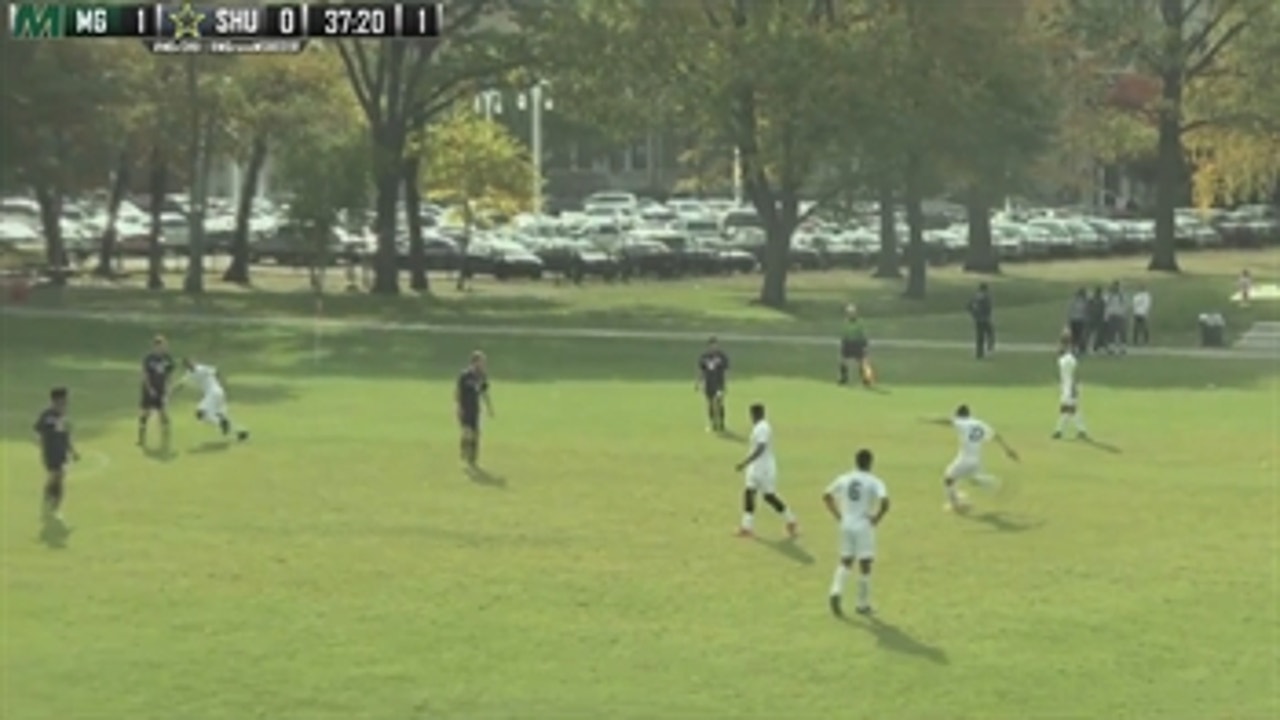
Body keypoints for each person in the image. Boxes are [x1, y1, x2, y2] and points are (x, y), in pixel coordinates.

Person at [822, 448, 890, 618]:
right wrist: (877, 518)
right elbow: (885, 501)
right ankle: (862, 604)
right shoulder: (874, 481)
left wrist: (838, 516)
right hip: (863, 525)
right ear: (870, 463)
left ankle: (835, 591)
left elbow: (826, 495)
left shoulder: (844, 478)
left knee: (845, 561)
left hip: (846, 523)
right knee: (865, 564)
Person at [932, 404, 1018, 513]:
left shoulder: (963, 422)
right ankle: (996, 484)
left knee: (948, 478)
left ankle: (956, 504)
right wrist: (1008, 450)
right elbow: (996, 436)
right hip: (976, 459)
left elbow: (947, 421)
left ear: (960, 415)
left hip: (965, 459)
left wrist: (929, 419)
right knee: (973, 479)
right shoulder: (980, 423)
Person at [734, 403, 798, 538]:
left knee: (769, 497)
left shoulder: (762, 428)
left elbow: (761, 448)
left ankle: (791, 520)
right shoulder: (759, 427)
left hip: (763, 469)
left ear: (754, 414)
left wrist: (745, 462)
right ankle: (747, 527)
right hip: (756, 468)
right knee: (749, 493)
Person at [173, 358, 250, 442]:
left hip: (213, 393)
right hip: (219, 393)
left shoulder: (201, 368)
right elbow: (181, 384)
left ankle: (220, 423)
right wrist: (172, 392)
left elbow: (216, 371)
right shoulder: (189, 373)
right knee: (221, 415)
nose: (190, 365)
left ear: (193, 362)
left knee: (200, 413)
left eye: (190, 363)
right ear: (186, 367)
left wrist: (223, 384)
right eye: (187, 365)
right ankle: (241, 432)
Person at [34, 387, 78, 524]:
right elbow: (38, 429)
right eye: (63, 401)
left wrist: (73, 451)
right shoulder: (47, 415)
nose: (65, 404)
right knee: (55, 475)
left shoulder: (63, 417)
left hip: (61, 452)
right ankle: (48, 504)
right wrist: (42, 444)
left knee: (60, 478)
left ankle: (54, 507)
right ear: (55, 401)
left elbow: (66, 436)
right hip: (51, 452)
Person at [456, 351, 493, 467]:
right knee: (467, 432)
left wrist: (489, 407)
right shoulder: (464, 375)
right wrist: (458, 407)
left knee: (476, 432)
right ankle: (464, 448)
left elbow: (484, 392)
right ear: (474, 362)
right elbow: (458, 392)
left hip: (475, 408)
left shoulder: (482, 376)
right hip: (465, 407)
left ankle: (473, 457)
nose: (483, 364)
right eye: (481, 362)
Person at [138, 334, 176, 446]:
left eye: (165, 345)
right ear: (156, 346)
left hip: (161, 389)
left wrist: (169, 389)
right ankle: (141, 438)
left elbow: (170, 375)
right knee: (145, 413)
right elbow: (145, 375)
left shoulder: (168, 359)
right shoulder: (149, 358)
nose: (164, 347)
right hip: (149, 390)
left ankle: (166, 438)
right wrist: (149, 389)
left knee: (163, 412)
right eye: (162, 345)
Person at [1052, 331, 1088, 440]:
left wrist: (1073, 388)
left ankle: (1059, 431)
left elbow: (1075, 375)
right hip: (1067, 387)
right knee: (1071, 410)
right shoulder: (1067, 358)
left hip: (1070, 388)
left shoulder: (1068, 359)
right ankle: (1080, 430)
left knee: (1067, 409)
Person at [695, 337, 730, 433]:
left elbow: (726, 371)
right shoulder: (704, 357)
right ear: (708, 346)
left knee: (719, 403)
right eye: (712, 345)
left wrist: (726, 384)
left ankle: (722, 423)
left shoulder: (722, 357)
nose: (714, 347)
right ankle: (712, 423)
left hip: (719, 383)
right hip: (708, 383)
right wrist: (698, 383)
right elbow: (701, 371)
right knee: (710, 403)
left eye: (715, 345)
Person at [838, 304, 874, 386]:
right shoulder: (846, 322)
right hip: (848, 343)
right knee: (843, 361)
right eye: (849, 313)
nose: (850, 314)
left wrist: (864, 344)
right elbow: (844, 333)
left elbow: (863, 334)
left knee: (862, 362)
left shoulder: (859, 322)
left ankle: (865, 379)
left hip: (857, 344)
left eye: (852, 312)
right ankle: (844, 378)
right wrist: (843, 343)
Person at [967, 283, 995, 359]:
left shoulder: (975, 297)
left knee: (980, 336)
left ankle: (979, 353)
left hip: (977, 319)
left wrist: (974, 314)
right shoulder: (986, 297)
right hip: (985, 318)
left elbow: (969, 306)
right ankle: (990, 347)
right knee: (990, 333)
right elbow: (988, 308)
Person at [1104, 281, 1127, 354]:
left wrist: (1124, 314)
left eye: (1117, 287)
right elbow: (1106, 305)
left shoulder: (1122, 296)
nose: (1115, 288)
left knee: (1121, 332)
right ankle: (1111, 348)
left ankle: (1122, 348)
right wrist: (1106, 316)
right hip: (1112, 315)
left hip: (1120, 315)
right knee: (1111, 332)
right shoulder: (1109, 295)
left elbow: (1125, 304)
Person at [1066, 288, 1088, 355]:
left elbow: (1070, 311)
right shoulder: (1083, 302)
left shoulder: (1073, 301)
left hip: (1075, 320)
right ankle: (1076, 348)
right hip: (1079, 320)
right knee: (1078, 335)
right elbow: (1085, 311)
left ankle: (1075, 348)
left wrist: (1069, 319)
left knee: (1075, 335)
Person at [1087, 286, 1107, 353]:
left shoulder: (1101, 301)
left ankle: (1096, 346)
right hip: (1093, 318)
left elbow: (1103, 310)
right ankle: (1090, 346)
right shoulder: (1092, 300)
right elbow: (1089, 309)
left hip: (1098, 319)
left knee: (1097, 334)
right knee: (1091, 333)